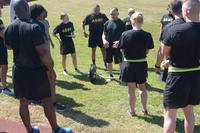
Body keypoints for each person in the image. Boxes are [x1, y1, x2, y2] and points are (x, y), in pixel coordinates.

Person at [4, 0, 72, 132]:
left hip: (18, 70)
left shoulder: (9, 28)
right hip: (36, 70)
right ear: (26, 8)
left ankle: (30, 130)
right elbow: (44, 54)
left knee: (23, 102)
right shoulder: (34, 27)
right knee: (47, 100)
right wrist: (51, 70)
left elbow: (9, 47)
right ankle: (56, 129)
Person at [161, 0, 200, 132]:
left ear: (187, 11)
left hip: (177, 75)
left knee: (170, 114)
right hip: (195, 76)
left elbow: (165, 52)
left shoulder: (175, 30)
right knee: (189, 112)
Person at [120, 12, 154, 117]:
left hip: (129, 64)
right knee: (142, 88)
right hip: (141, 64)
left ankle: (132, 111)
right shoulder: (147, 35)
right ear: (142, 21)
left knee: (131, 89)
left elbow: (122, 50)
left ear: (132, 21)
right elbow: (147, 50)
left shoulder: (125, 34)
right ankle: (144, 110)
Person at [155, 0, 184, 82]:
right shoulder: (192, 25)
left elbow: (162, 50)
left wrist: (157, 65)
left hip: (174, 67)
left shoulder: (170, 27)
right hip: (191, 70)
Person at [102, 8, 125, 82]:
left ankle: (122, 76)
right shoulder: (107, 23)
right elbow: (104, 34)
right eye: (111, 14)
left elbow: (124, 35)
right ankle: (110, 75)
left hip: (118, 46)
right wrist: (104, 40)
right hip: (108, 46)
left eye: (114, 14)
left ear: (118, 14)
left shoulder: (121, 23)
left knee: (120, 61)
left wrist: (119, 41)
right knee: (108, 61)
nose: (112, 15)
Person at [82, 4, 109, 69]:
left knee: (103, 51)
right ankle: (94, 64)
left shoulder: (102, 15)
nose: (97, 11)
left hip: (101, 36)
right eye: (96, 10)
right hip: (92, 36)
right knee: (93, 50)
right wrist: (84, 31)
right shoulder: (89, 16)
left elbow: (108, 23)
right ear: (93, 9)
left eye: (98, 10)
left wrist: (107, 33)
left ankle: (105, 65)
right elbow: (83, 24)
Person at [0, 6, 14, 95]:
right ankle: (4, 88)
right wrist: (10, 41)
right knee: (4, 66)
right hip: (1, 47)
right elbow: (2, 33)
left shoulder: (0, 21)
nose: (0, 11)